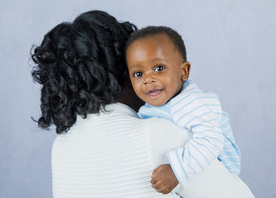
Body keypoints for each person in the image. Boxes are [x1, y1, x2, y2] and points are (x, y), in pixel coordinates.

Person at [31, 10, 254, 198]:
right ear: (122, 72)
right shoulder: (159, 135)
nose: (148, 81)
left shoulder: (60, 147)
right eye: (137, 71)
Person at [125, 26, 241, 194]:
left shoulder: (191, 102)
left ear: (183, 71)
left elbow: (211, 140)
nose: (148, 79)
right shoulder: (160, 103)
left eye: (159, 68)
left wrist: (176, 171)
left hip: (218, 177)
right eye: (138, 74)